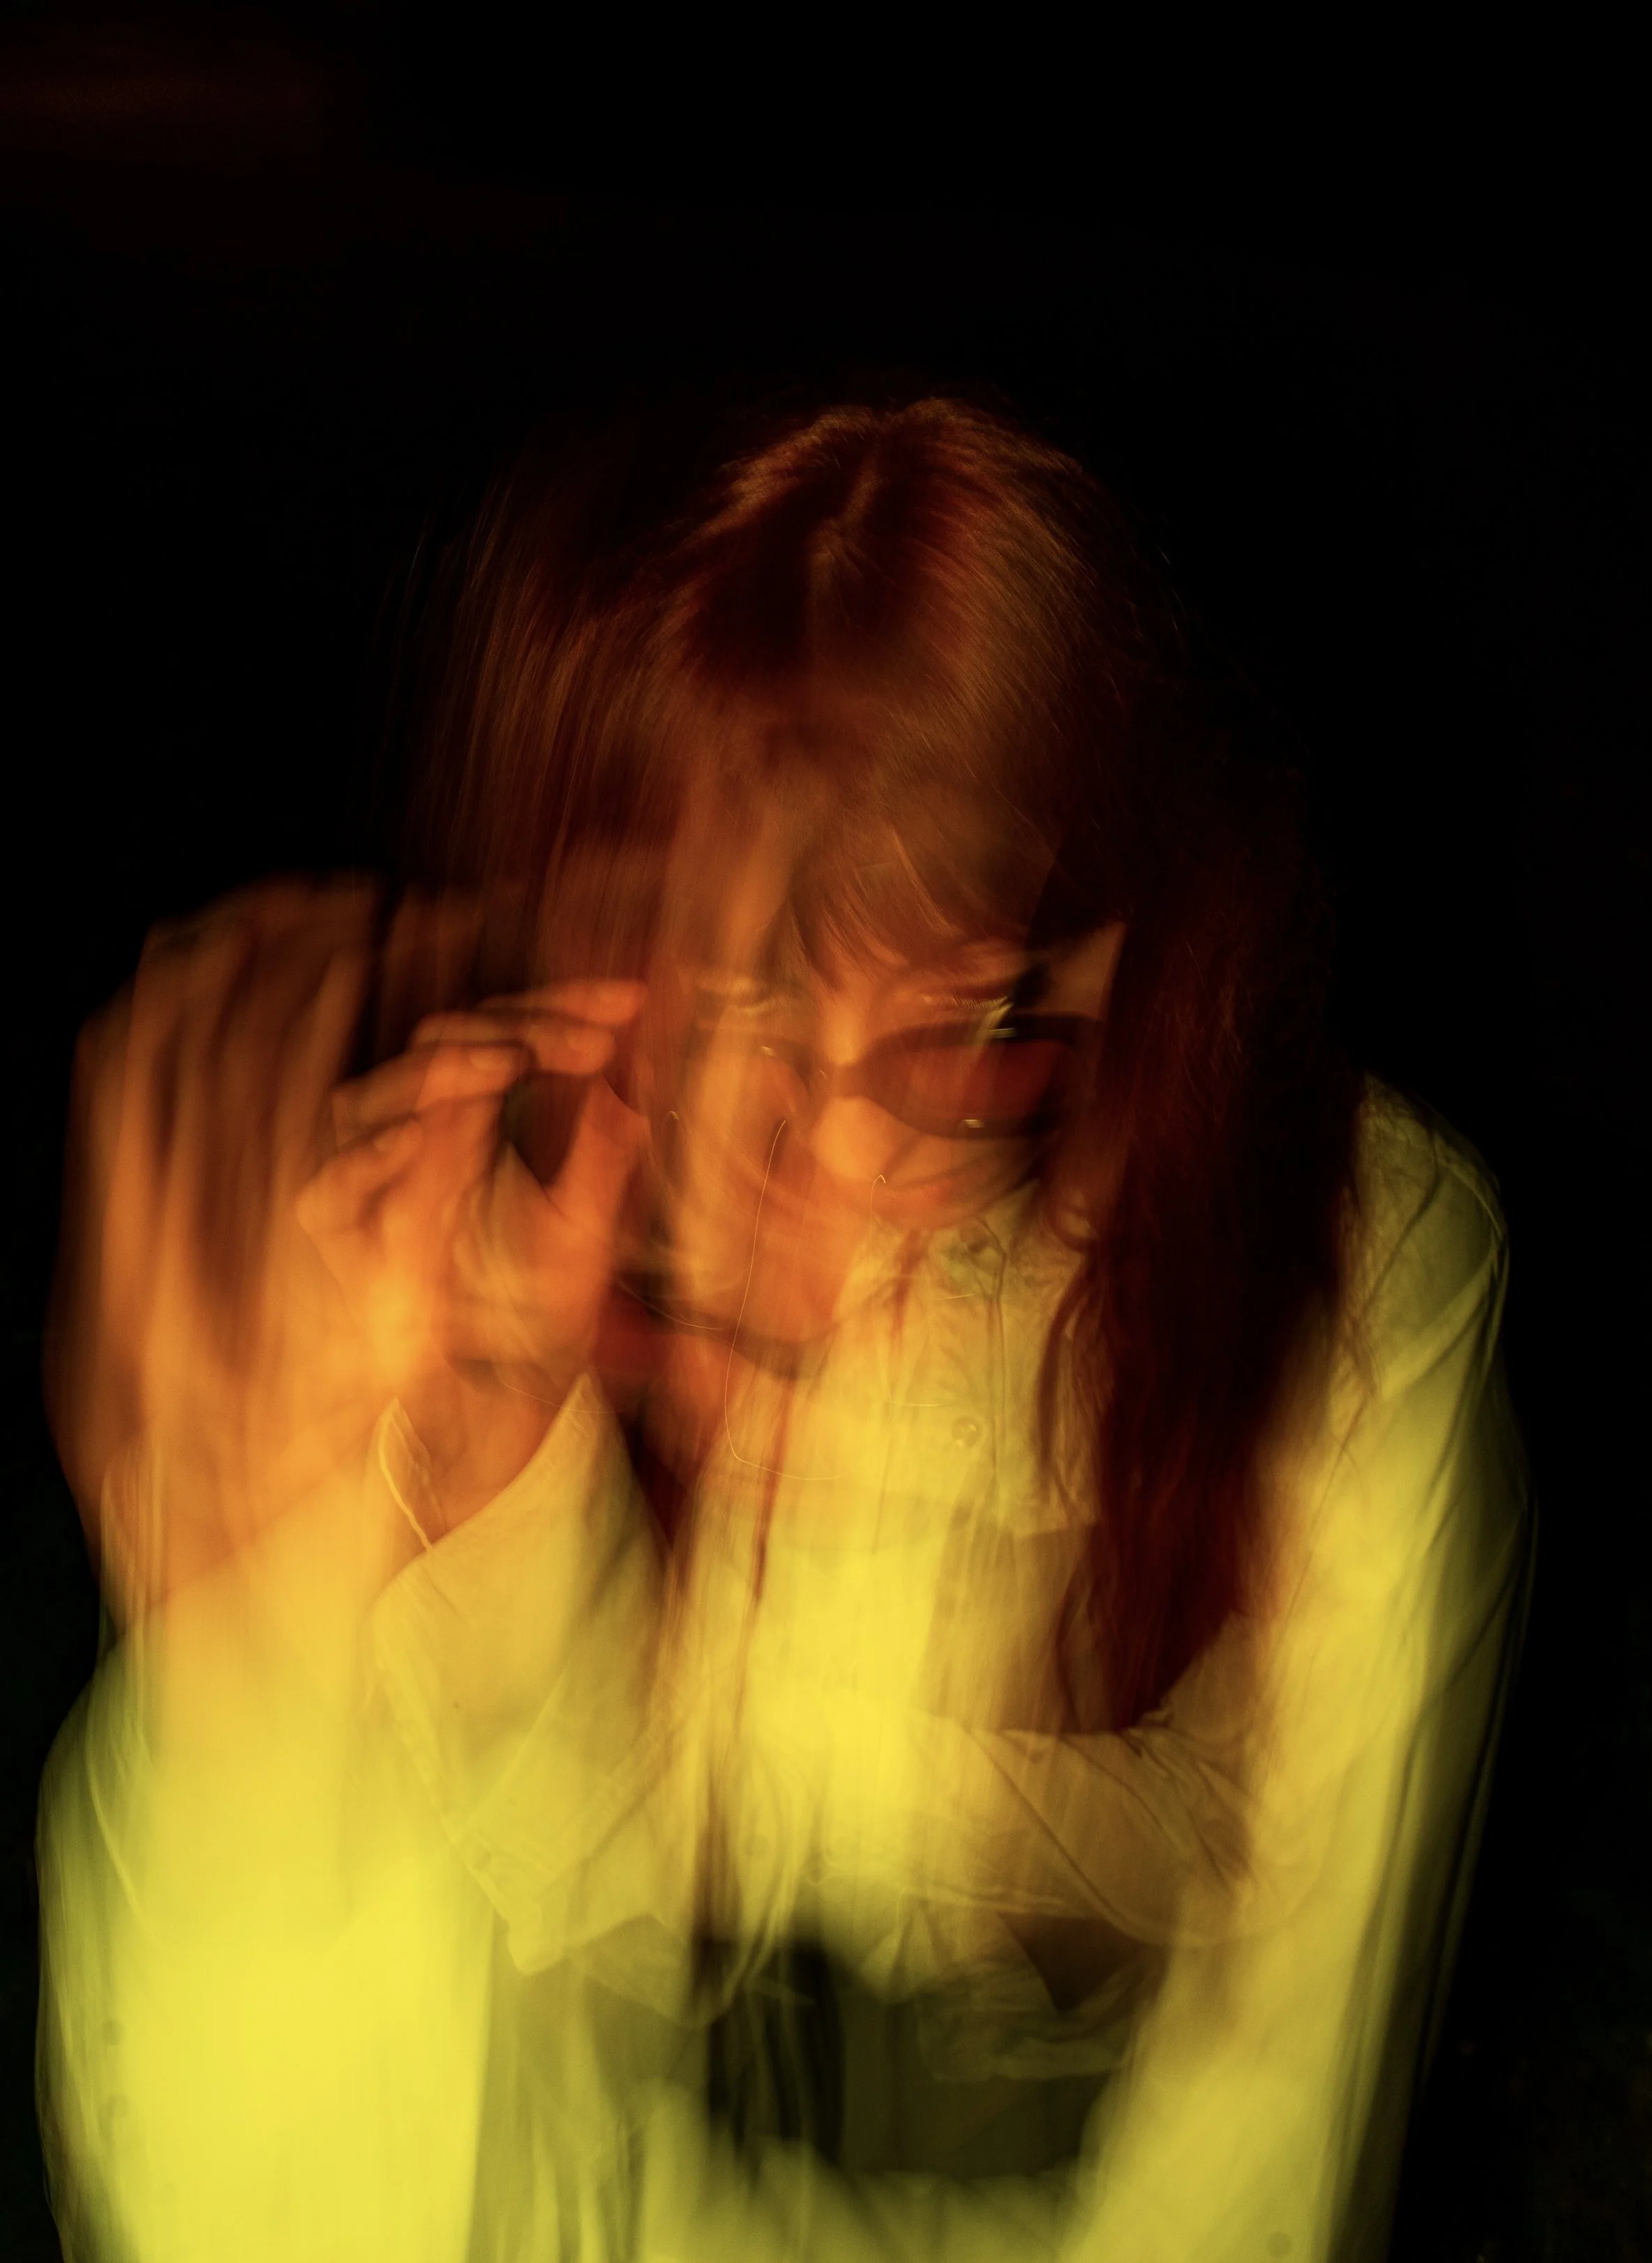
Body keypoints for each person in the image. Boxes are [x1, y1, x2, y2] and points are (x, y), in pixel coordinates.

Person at [36, 395, 1536, 2261]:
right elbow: (314, 2197)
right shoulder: (459, 1302)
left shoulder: (1328, 1276)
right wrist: (279, 1652)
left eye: (962, 1040)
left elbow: (1260, 2153)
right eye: (712, 1010)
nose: (826, 1161)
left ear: (1136, 958)